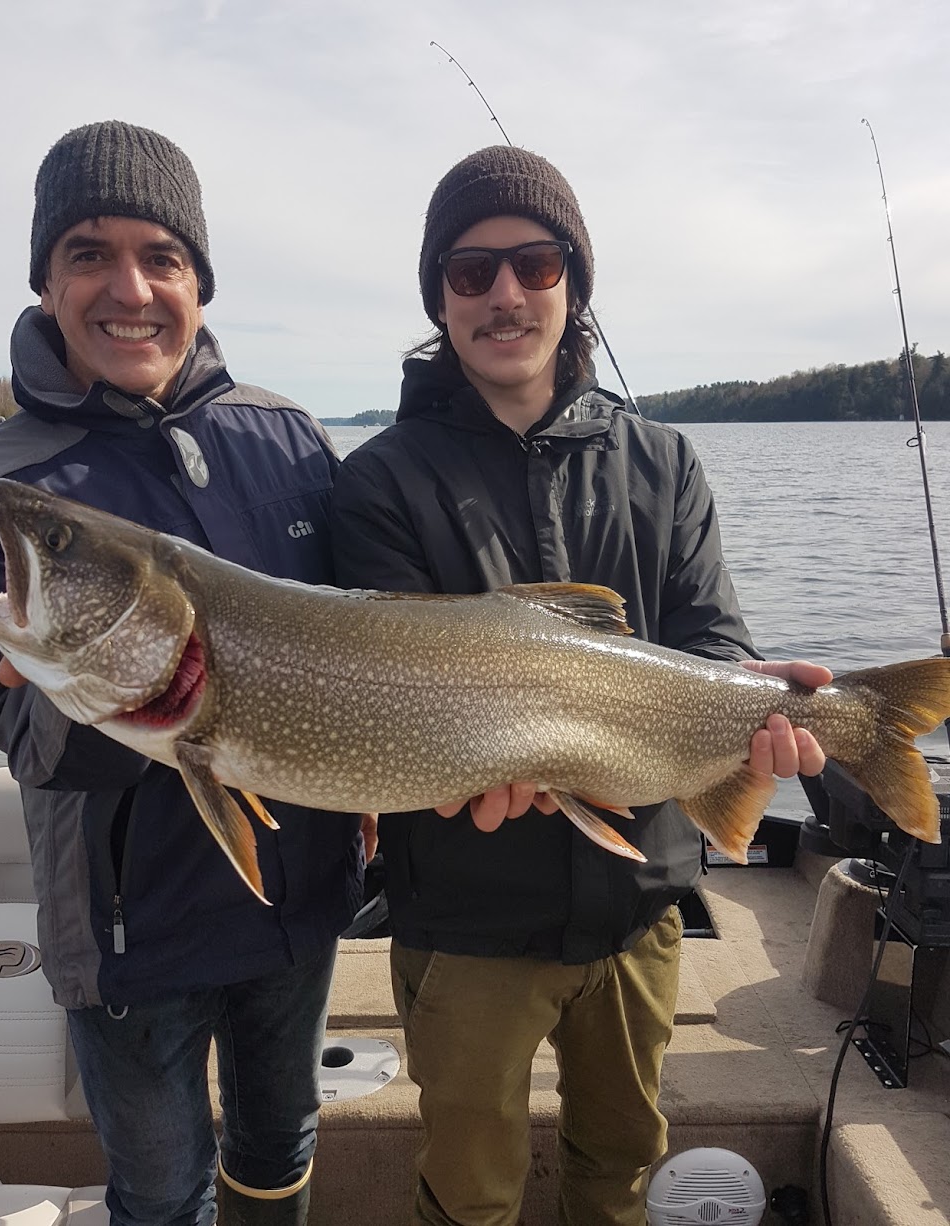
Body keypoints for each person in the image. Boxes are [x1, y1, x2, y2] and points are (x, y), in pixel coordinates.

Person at [329, 145, 831, 1226]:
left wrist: (758, 703)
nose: (505, 293)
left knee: (620, 1166)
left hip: (641, 900)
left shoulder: (665, 461)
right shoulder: (377, 478)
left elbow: (709, 640)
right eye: (470, 273)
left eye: (536, 262)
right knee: (469, 1190)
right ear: (440, 299)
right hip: (464, 919)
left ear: (573, 283)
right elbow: (400, 697)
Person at [0, 120, 365, 1226]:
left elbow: (368, 647)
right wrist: (111, 687)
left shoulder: (293, 438)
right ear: (45, 278)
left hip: (291, 896)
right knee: (162, 1188)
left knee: (281, 1141)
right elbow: (19, 738)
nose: (130, 287)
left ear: (199, 282)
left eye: (161, 256)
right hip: (127, 931)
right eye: (88, 251)